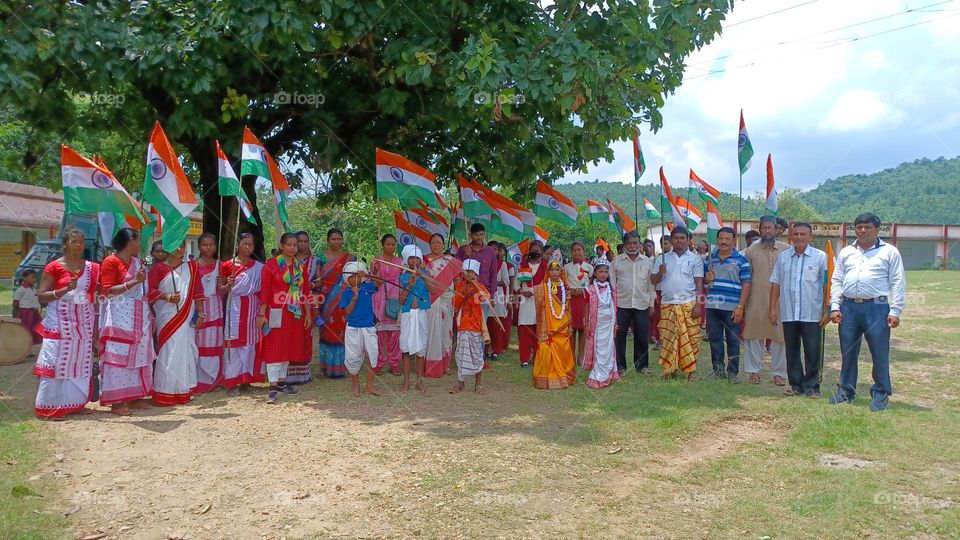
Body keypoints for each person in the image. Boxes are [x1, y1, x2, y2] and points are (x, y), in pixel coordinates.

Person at [829, 213, 906, 412]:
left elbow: (897, 281)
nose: (862, 231)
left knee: (879, 352)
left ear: (877, 230)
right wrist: (835, 306)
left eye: (867, 227)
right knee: (847, 351)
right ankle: (846, 390)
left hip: (877, 308)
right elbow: (837, 280)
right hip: (849, 308)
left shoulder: (889, 252)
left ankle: (880, 393)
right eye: (859, 227)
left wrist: (895, 310)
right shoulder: (846, 252)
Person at [33, 227, 99, 419]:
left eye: (82, 241)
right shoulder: (54, 266)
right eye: (74, 241)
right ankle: (49, 408)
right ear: (65, 244)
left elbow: (92, 297)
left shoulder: (91, 267)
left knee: (79, 362)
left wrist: (95, 326)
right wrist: (62, 290)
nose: (79, 245)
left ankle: (75, 403)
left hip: (83, 324)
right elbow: (41, 297)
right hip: (60, 323)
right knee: (55, 362)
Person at [769, 222, 829, 398]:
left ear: (811, 237)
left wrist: (827, 309)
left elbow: (827, 285)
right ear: (791, 237)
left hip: (812, 313)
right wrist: (772, 308)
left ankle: (812, 387)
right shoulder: (784, 257)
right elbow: (776, 283)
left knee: (812, 350)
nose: (799, 237)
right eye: (795, 234)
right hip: (789, 312)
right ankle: (796, 385)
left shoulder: (821, 257)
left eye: (803, 234)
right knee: (792, 351)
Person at [99, 228, 155, 415]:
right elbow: (107, 291)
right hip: (119, 315)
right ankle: (117, 402)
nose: (140, 245)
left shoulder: (137, 262)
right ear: (129, 242)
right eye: (138, 241)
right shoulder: (111, 261)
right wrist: (133, 282)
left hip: (139, 315)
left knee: (139, 354)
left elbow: (144, 289)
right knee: (119, 355)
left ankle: (135, 396)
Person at [257, 233, 309, 404]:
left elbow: (306, 293)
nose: (293, 247)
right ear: (281, 245)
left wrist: (308, 314)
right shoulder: (271, 265)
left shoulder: (300, 267)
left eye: (295, 245)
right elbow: (265, 291)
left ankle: (281, 383)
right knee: (274, 348)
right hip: (276, 311)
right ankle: (272, 388)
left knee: (287, 348)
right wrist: (262, 314)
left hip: (294, 313)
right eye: (289, 244)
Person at [148, 242, 203, 406]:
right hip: (167, 318)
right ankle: (165, 391)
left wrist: (201, 312)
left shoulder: (191, 268)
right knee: (169, 352)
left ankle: (184, 390)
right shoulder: (158, 269)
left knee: (187, 350)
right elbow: (149, 291)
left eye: (182, 246)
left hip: (185, 317)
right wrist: (168, 297)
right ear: (168, 248)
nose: (180, 249)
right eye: (176, 246)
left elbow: (197, 292)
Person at [742, 216, 790, 385]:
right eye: (764, 228)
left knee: (780, 337)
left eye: (771, 228)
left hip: (780, 301)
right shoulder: (750, 250)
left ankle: (779, 373)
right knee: (754, 336)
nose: (768, 231)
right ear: (760, 229)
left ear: (777, 229)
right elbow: (744, 276)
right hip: (755, 299)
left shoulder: (787, 250)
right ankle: (753, 372)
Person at [651, 226, 704, 381]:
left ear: (688, 240)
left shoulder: (695, 259)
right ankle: (669, 369)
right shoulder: (662, 258)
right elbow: (653, 281)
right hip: (668, 304)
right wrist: (660, 272)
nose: (679, 241)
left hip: (689, 304)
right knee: (668, 338)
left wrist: (699, 304)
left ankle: (691, 371)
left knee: (692, 338)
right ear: (671, 240)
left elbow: (699, 283)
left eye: (682, 238)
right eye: (676, 238)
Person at [703, 227, 751, 383]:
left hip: (732, 308)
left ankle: (733, 372)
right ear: (717, 240)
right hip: (712, 307)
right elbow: (705, 283)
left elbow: (746, 284)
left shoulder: (742, 261)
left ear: (734, 241)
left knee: (732, 340)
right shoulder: (709, 259)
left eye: (727, 239)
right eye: (721, 238)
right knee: (714, 339)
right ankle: (718, 370)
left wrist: (740, 307)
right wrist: (707, 279)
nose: (724, 241)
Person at [221, 233, 264, 396]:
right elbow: (220, 290)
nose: (247, 247)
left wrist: (262, 312)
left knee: (250, 343)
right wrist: (227, 285)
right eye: (244, 244)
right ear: (238, 245)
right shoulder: (227, 265)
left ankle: (247, 380)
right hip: (234, 307)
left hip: (253, 306)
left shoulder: (258, 267)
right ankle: (232, 382)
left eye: (250, 245)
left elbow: (262, 290)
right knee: (233, 342)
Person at [610, 232, 656, 375]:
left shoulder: (647, 262)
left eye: (635, 243)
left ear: (639, 244)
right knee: (619, 336)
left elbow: (651, 285)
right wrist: (612, 304)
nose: (632, 246)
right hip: (621, 304)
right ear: (624, 245)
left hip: (641, 303)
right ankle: (620, 366)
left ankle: (642, 366)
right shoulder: (616, 261)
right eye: (629, 243)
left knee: (642, 335)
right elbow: (612, 284)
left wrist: (651, 304)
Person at [316, 228, 356, 378]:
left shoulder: (350, 258)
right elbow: (317, 278)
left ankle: (343, 366)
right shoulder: (320, 257)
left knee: (343, 332)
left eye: (339, 239)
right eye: (333, 239)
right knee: (325, 331)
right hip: (326, 301)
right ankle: (324, 367)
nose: (337, 242)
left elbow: (355, 278)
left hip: (344, 301)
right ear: (328, 240)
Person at [340, 261, 382, 397]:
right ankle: (356, 385)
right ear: (347, 279)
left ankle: (369, 386)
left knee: (373, 354)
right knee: (353, 357)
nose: (355, 278)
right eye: (351, 276)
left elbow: (379, 283)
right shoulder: (346, 293)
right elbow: (347, 312)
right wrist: (355, 296)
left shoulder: (367, 287)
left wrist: (368, 275)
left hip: (369, 327)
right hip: (353, 328)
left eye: (357, 275)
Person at [532, 260, 575, 389]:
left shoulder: (566, 287)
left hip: (562, 323)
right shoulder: (543, 287)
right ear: (548, 272)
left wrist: (570, 324)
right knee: (546, 345)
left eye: (557, 270)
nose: (554, 272)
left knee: (564, 346)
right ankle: (548, 377)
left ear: (561, 271)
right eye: (552, 270)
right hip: (548, 324)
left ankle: (565, 375)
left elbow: (568, 307)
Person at [450, 259, 490, 394]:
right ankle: (460, 382)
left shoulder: (479, 286)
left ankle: (478, 384)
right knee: (461, 354)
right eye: (467, 272)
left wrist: (476, 285)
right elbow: (455, 304)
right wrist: (464, 290)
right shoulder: (460, 286)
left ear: (476, 274)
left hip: (475, 326)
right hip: (462, 326)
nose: (469, 274)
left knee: (477, 354)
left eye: (472, 272)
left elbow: (485, 298)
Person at [288, 230, 322, 385]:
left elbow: (320, 281)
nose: (302, 244)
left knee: (305, 335)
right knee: (290, 334)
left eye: (305, 241)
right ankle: (288, 373)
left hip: (307, 300)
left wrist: (309, 285)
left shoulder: (315, 260)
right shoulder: (286, 260)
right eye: (299, 241)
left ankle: (303, 373)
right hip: (289, 301)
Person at [424, 233, 459, 377]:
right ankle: (432, 365)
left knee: (446, 332)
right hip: (432, 300)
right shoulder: (424, 260)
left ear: (443, 245)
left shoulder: (450, 261)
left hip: (448, 299)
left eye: (439, 242)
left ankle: (445, 364)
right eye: (433, 242)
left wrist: (456, 299)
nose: (436, 245)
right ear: (430, 244)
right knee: (433, 331)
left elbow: (456, 281)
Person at [194, 233, 224, 394]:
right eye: (205, 245)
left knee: (215, 343)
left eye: (211, 244)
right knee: (200, 343)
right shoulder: (193, 266)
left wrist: (223, 284)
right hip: (199, 307)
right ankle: (201, 380)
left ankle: (215, 379)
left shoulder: (221, 265)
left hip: (216, 307)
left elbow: (224, 290)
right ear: (199, 247)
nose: (208, 248)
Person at [398, 244, 431, 393]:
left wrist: (423, 275)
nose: (414, 261)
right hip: (407, 314)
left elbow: (434, 290)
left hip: (422, 314)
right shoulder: (403, 276)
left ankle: (419, 381)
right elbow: (401, 300)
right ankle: (406, 381)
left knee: (421, 349)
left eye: (417, 258)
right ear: (407, 260)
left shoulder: (425, 275)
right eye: (411, 258)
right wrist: (410, 285)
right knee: (405, 349)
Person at [370, 234, 403, 376]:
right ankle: (378, 364)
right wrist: (376, 270)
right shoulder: (376, 261)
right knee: (379, 334)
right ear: (383, 245)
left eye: (393, 244)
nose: (391, 247)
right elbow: (375, 283)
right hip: (380, 298)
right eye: (388, 244)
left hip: (395, 298)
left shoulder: (400, 262)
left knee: (395, 334)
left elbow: (403, 281)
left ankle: (394, 364)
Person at [583, 262, 619, 389]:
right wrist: (586, 323)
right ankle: (598, 376)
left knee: (609, 348)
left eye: (605, 272)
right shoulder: (590, 289)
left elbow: (613, 306)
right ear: (595, 273)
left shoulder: (611, 288)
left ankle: (611, 372)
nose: (603, 274)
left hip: (609, 324)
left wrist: (615, 323)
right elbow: (587, 306)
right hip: (596, 324)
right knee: (599, 349)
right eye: (600, 272)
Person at [516, 241, 546, 367]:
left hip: (539, 302)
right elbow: (516, 284)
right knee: (524, 330)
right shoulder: (523, 265)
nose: (536, 252)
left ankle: (537, 357)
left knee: (538, 330)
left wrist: (537, 292)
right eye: (534, 249)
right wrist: (522, 292)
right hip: (525, 302)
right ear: (529, 251)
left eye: (538, 250)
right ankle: (524, 359)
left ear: (542, 252)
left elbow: (548, 284)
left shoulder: (545, 266)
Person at [564, 242, 593, 365]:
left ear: (583, 251)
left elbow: (591, 284)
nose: (576, 252)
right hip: (571, 300)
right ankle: (570, 356)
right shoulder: (566, 267)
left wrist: (583, 290)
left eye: (579, 250)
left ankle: (581, 357)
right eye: (574, 250)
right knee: (571, 329)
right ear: (571, 252)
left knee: (582, 328)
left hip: (584, 299)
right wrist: (570, 290)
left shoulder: (589, 267)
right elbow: (564, 284)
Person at [456, 223, 498, 299]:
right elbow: (457, 269)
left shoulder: (491, 252)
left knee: (483, 311)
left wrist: (492, 296)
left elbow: (493, 274)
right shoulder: (463, 250)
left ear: (484, 234)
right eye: (476, 235)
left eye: (481, 234)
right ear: (470, 235)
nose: (479, 237)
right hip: (465, 292)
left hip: (484, 292)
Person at [487, 242, 512, 361]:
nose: (494, 251)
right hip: (485, 294)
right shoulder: (485, 262)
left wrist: (492, 283)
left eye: (496, 249)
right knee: (487, 323)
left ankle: (496, 350)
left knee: (497, 323)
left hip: (498, 295)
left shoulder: (502, 264)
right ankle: (486, 348)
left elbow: (506, 281)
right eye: (491, 248)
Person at [13, 268, 42, 345]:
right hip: (26, 313)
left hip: (34, 312)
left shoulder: (34, 289)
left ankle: (29, 347)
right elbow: (15, 302)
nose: (34, 279)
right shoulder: (21, 290)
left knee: (35, 329)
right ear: (24, 278)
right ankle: (24, 347)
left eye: (35, 277)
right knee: (26, 330)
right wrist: (16, 311)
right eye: (32, 277)